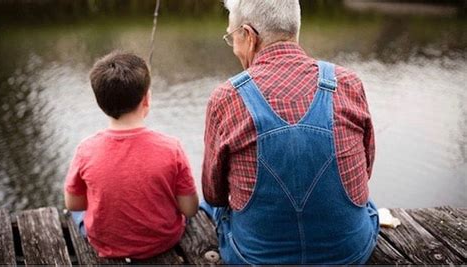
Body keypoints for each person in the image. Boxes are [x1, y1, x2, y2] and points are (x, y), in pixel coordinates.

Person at [201, 0, 379, 264]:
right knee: (369, 205)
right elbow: (365, 171)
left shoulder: (226, 98)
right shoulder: (348, 83)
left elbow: (214, 194)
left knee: (209, 206)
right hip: (349, 256)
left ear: (249, 36)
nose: (234, 47)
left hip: (255, 260)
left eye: (233, 37)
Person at [64, 52, 198, 259]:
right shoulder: (172, 147)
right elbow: (189, 209)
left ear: (100, 103)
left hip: (106, 245)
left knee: (75, 214)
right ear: (146, 99)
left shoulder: (85, 150)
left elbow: (74, 204)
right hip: (163, 242)